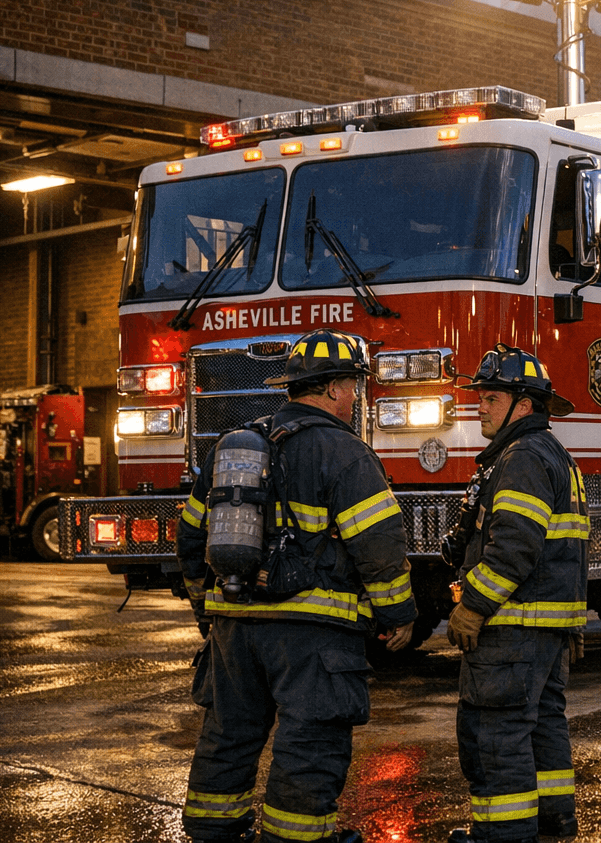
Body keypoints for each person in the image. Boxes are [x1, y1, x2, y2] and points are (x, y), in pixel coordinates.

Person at [177, 328, 417, 843]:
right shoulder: (347, 454)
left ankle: (210, 832)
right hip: (313, 633)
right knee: (309, 744)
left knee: (227, 737)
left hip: (232, 627)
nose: (355, 398)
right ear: (331, 388)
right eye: (353, 386)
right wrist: (398, 616)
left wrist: (206, 609)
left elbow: (192, 535)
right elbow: (381, 546)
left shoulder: (236, 447)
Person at [441, 346, 589, 843]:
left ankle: (501, 834)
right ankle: (554, 819)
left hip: (513, 626)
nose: (479, 406)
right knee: (543, 723)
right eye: (480, 396)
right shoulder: (553, 455)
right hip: (543, 628)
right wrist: (568, 623)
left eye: (491, 397)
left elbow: (513, 551)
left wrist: (472, 607)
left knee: (495, 732)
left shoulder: (522, 457)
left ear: (524, 405)